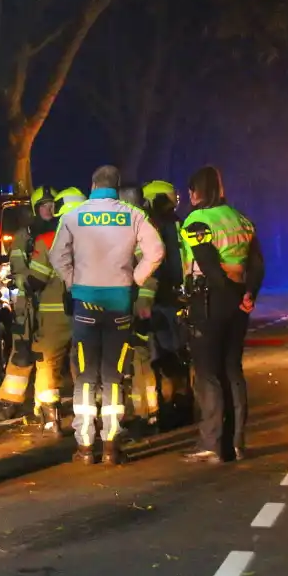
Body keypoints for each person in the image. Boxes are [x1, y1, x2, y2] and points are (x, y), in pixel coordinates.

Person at [48, 165, 164, 465]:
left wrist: (74, 281)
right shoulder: (133, 215)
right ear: (117, 186)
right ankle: (111, 445)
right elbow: (156, 251)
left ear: (92, 184)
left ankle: (85, 447)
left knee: (85, 376)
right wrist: (134, 279)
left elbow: (56, 255)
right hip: (119, 305)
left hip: (85, 304)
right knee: (113, 376)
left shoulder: (75, 215)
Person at [180, 166, 265, 463]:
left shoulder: (197, 221)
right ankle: (237, 441)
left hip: (209, 300)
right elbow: (257, 264)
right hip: (238, 302)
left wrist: (227, 292)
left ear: (195, 192)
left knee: (207, 372)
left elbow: (208, 265)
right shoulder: (241, 219)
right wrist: (248, 295)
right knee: (232, 369)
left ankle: (212, 442)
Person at [17, 186, 87, 436]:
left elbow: (37, 279)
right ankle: (90, 421)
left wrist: (23, 284)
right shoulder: (96, 238)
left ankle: (51, 421)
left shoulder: (47, 240)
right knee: (84, 366)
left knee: (48, 366)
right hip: (87, 312)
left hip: (54, 315)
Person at [0, 186, 61, 422]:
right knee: (21, 349)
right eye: (44, 205)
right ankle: (10, 400)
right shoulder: (25, 235)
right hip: (28, 301)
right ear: (35, 209)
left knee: (46, 355)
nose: (49, 209)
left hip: (51, 303)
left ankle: (44, 405)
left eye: (52, 205)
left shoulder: (61, 231)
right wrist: (28, 284)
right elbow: (17, 267)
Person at [143, 180, 192, 429]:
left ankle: (166, 409)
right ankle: (181, 404)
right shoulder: (178, 224)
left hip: (159, 299)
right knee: (176, 355)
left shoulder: (157, 227)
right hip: (175, 298)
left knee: (159, 357)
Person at [117, 183, 161, 434]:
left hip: (131, 307)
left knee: (137, 359)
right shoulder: (139, 226)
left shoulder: (136, 228)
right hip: (125, 305)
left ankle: (146, 414)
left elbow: (150, 271)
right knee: (134, 360)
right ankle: (144, 413)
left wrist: (142, 303)